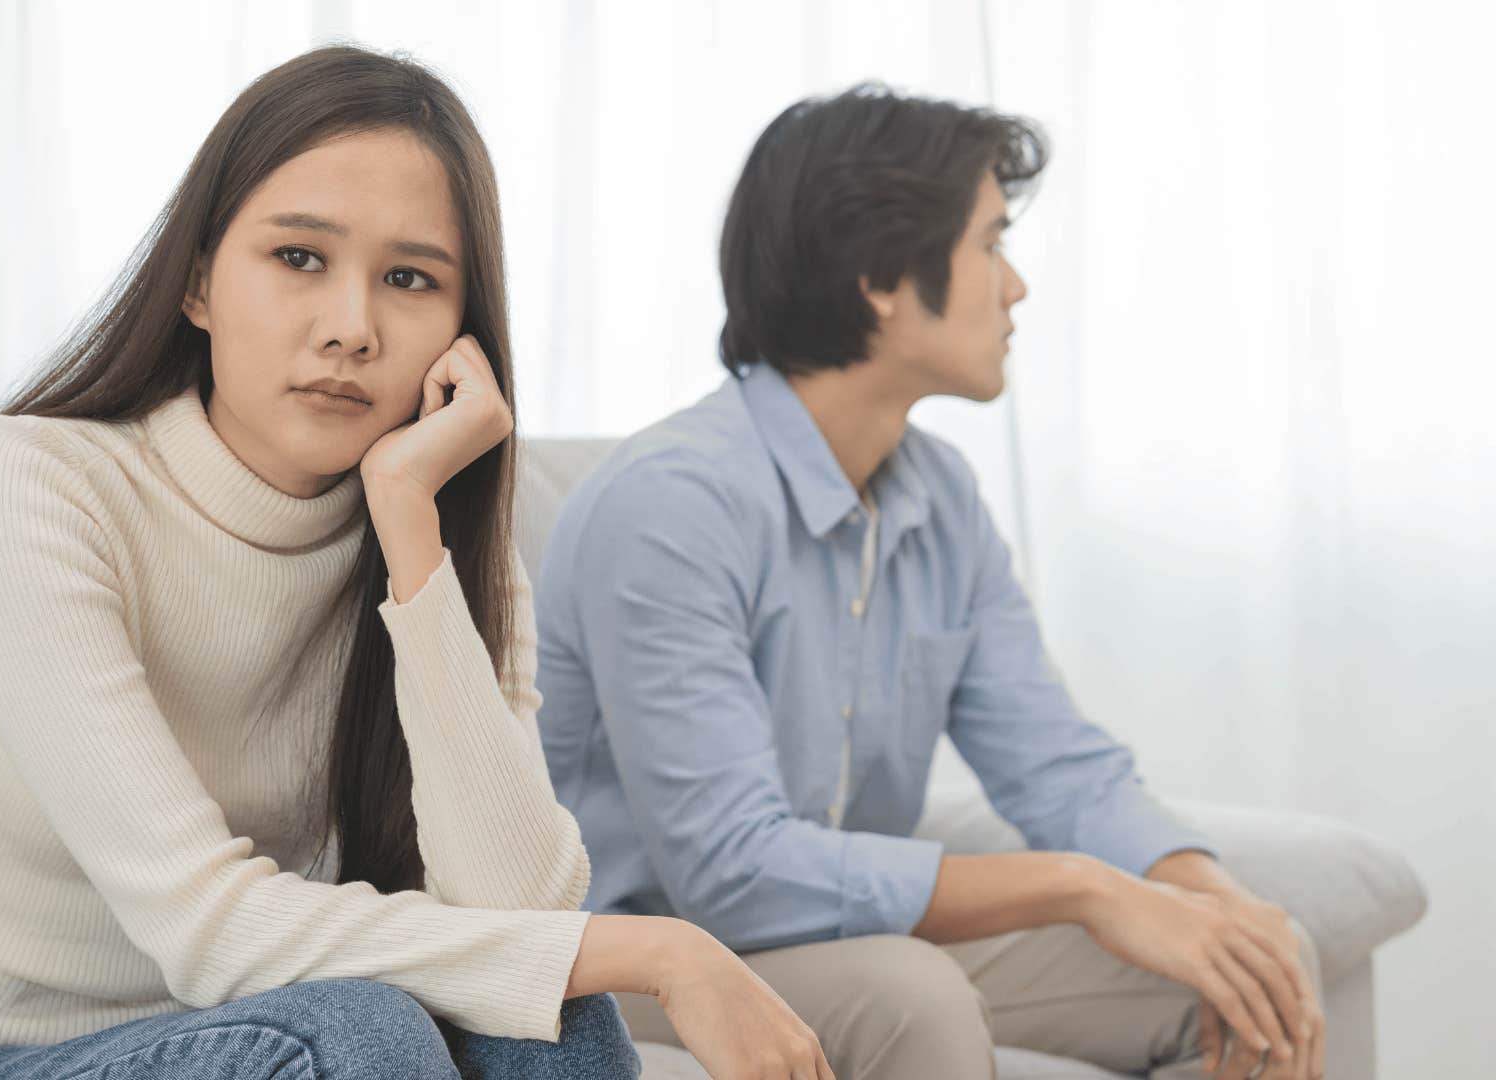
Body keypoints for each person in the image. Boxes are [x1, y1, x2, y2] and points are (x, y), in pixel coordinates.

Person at [0, 46, 830, 1080]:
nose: (351, 329)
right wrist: (663, 950)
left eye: (410, 280)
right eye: (299, 258)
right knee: (359, 1033)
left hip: (251, 1046)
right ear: (198, 280)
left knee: (559, 1023)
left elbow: (519, 914)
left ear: (462, 335)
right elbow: (205, 927)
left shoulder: (443, 541)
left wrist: (409, 531)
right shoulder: (32, 486)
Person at [535, 83, 1326, 1080]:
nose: (1018, 287)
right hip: (650, 961)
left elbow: (1058, 767)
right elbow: (732, 875)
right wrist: (1082, 888)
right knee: (914, 998)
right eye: (992, 243)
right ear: (881, 276)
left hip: (835, 936)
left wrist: (1204, 892)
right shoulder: (672, 506)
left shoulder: (940, 496)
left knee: (1261, 961)